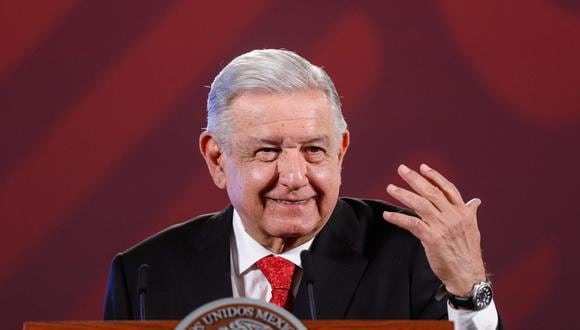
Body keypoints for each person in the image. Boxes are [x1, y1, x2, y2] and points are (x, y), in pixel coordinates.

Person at [104, 49, 500, 329]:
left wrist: (468, 291)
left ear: (340, 150)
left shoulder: (413, 253)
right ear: (216, 159)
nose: (294, 177)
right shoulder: (144, 275)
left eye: (313, 150)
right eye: (267, 151)